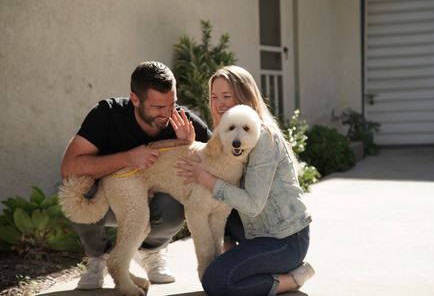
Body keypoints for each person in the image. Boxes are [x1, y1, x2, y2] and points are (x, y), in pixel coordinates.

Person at [60, 61, 210, 290]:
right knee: (79, 185)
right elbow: (69, 167)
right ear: (135, 99)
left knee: (176, 204)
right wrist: (128, 158)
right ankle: (97, 258)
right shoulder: (107, 114)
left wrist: (189, 146)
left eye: (172, 104)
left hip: (153, 203)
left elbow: (219, 159)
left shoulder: (182, 121)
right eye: (158, 107)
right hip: (107, 202)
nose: (167, 113)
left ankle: (149, 251)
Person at [175, 65, 314, 295]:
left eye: (226, 96)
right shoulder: (229, 133)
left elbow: (252, 204)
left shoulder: (264, 138)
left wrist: (205, 178)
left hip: (285, 240)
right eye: (214, 97)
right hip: (254, 232)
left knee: (216, 282)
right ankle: (239, 260)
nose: (219, 103)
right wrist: (187, 144)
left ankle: (291, 279)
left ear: (245, 97)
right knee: (216, 201)